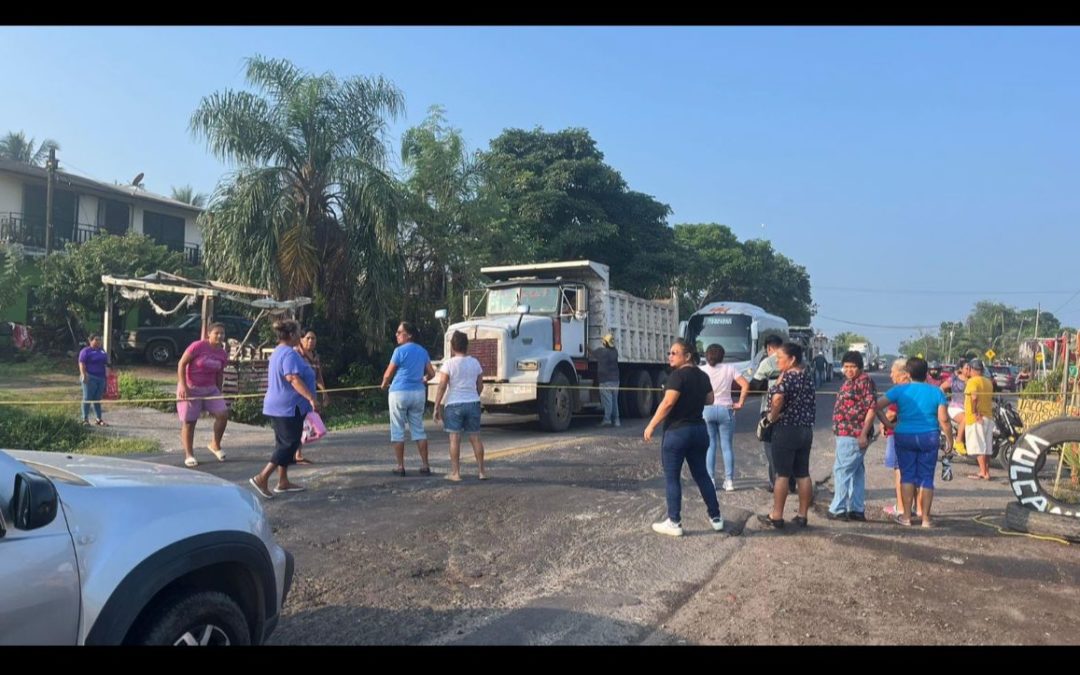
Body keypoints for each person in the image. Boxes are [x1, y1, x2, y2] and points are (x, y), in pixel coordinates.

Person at [644, 339, 724, 537]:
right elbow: (710, 399)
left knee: (672, 478)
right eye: (670, 352)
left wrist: (651, 425)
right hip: (699, 430)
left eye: (674, 353)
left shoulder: (677, 376)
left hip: (677, 432)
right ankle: (716, 518)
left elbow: (668, 403)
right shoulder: (703, 375)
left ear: (687, 356)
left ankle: (674, 521)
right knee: (702, 475)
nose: (670, 356)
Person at [872, 357, 951, 527]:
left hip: (904, 435)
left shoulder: (900, 390)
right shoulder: (937, 392)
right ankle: (926, 519)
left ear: (908, 373)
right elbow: (944, 419)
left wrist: (887, 424)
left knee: (907, 475)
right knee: (926, 478)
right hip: (929, 437)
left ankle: (906, 517)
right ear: (927, 373)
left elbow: (876, 406)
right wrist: (950, 439)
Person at [249, 319, 317, 498]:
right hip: (288, 406)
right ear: (292, 335)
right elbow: (293, 378)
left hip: (280, 405)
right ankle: (262, 477)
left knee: (283, 442)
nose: (301, 336)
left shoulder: (280, 352)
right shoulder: (289, 354)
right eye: (299, 332)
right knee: (291, 443)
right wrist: (310, 397)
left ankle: (283, 481)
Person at [758, 342, 816, 529]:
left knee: (781, 474)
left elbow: (777, 399)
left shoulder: (787, 379)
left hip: (786, 430)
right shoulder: (807, 377)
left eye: (780, 358)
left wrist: (771, 418)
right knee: (803, 473)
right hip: (805, 430)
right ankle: (802, 515)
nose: (777, 362)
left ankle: (776, 516)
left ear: (792, 359)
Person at [827, 351, 880, 522]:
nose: (849, 370)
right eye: (846, 366)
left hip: (853, 434)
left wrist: (864, 433)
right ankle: (856, 509)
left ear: (860, 367)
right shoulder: (850, 382)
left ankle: (838, 508)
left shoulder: (864, 382)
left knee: (842, 471)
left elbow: (872, 409)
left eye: (853, 367)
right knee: (856, 472)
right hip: (845, 432)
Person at [381, 321, 436, 477]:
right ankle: (425, 465)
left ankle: (400, 466)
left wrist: (384, 384)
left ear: (409, 335)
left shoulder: (399, 351)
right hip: (418, 393)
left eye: (400, 332)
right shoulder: (423, 351)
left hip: (399, 392)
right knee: (418, 429)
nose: (397, 335)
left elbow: (388, 374)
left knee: (397, 430)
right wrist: (424, 379)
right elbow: (432, 374)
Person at [433, 331, 487, 481]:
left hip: (454, 404)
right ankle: (482, 471)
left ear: (452, 347)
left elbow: (443, 385)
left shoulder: (448, 364)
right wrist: (473, 395)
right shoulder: (475, 363)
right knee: (475, 437)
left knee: (454, 438)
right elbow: (480, 386)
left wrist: (437, 406)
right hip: (473, 402)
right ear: (466, 346)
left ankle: (456, 473)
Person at [176, 322, 230, 468]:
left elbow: (219, 373)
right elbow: (182, 364)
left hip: (211, 389)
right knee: (189, 422)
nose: (220, 336)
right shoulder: (197, 346)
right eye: (217, 333)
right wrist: (183, 386)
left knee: (223, 414)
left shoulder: (223, 353)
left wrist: (219, 390)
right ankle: (189, 454)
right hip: (191, 387)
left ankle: (215, 444)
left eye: (222, 333)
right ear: (209, 334)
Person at [750, 335, 796, 494]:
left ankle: (775, 483)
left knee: (771, 448)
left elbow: (754, 386)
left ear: (768, 348)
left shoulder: (767, 362)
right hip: (793, 412)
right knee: (790, 447)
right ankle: (791, 482)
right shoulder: (796, 363)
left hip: (770, 409)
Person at [700, 343, 749, 491]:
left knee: (710, 446)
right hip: (726, 409)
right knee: (727, 446)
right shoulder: (730, 368)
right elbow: (745, 385)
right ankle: (729, 481)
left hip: (707, 410)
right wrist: (740, 402)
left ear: (707, 356)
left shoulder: (701, 370)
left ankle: (711, 480)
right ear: (723, 356)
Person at [881, 358, 923, 520]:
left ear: (904, 374)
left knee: (900, 471)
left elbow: (890, 412)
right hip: (921, 434)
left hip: (900, 434)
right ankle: (918, 507)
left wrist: (884, 424)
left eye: (893, 372)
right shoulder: (924, 389)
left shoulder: (901, 390)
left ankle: (901, 507)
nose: (891, 375)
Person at [294, 330, 329, 465]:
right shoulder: (296, 354)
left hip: (311, 396)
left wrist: (324, 392)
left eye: (313, 338)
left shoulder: (315, 356)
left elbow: (318, 376)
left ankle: (298, 453)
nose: (311, 341)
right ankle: (294, 454)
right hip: (298, 395)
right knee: (296, 423)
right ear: (301, 339)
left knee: (305, 424)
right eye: (308, 338)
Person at [964, 359, 995, 480]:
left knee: (979, 446)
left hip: (977, 418)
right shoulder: (988, 382)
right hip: (988, 416)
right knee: (986, 447)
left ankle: (983, 472)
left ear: (971, 369)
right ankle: (986, 471)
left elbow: (974, 397)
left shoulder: (972, 381)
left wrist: (975, 413)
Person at [78, 334, 110, 427]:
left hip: (101, 377)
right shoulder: (86, 351)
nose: (99, 341)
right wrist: (84, 374)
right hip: (90, 377)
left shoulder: (102, 351)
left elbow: (106, 362)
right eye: (96, 340)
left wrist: (108, 372)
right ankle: (85, 419)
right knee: (87, 398)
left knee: (97, 399)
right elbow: (81, 363)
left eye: (100, 339)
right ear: (90, 341)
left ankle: (98, 419)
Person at [942, 359, 969, 454]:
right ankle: (958, 441)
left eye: (970, 368)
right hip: (955, 408)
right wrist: (943, 400)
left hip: (967, 408)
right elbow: (942, 388)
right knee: (966, 418)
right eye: (967, 368)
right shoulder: (954, 379)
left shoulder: (972, 380)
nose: (969, 370)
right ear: (961, 369)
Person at [594, 333, 621, 427]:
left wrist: (586, 346)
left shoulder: (602, 352)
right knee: (614, 401)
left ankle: (607, 419)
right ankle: (617, 420)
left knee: (608, 401)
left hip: (605, 380)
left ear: (605, 343)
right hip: (615, 380)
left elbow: (592, 352)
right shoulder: (615, 352)